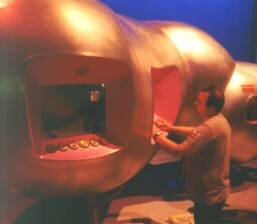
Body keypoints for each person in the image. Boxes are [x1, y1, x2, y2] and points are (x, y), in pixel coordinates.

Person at [152, 85, 231, 224]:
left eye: (199, 102)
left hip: (208, 195)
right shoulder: (219, 120)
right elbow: (197, 131)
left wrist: (154, 133)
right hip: (216, 192)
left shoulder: (209, 128)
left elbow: (178, 151)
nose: (195, 104)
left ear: (211, 108)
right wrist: (171, 128)